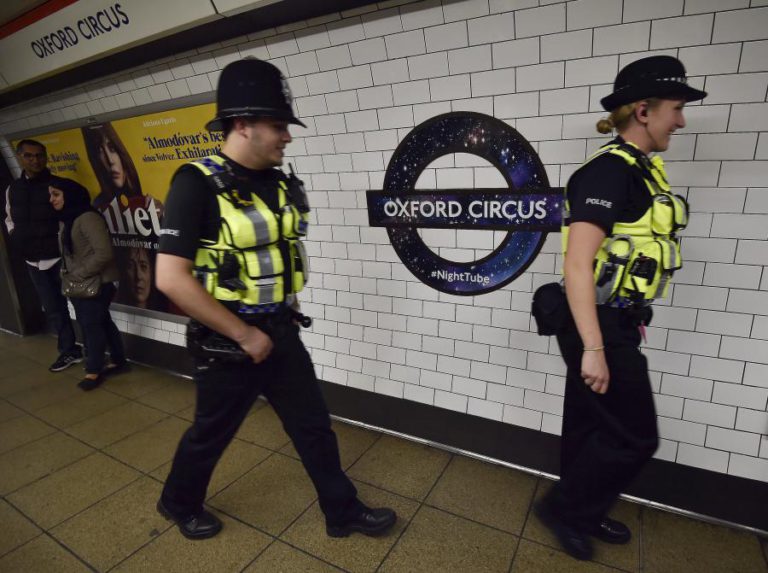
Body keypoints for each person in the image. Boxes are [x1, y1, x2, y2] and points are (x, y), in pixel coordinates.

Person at [155, 57, 397, 540]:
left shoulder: (277, 181)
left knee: (313, 427)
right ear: (242, 126)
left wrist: (279, 318)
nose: (287, 136)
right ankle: (177, 503)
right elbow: (171, 279)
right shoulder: (195, 184)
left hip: (280, 330)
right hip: (227, 341)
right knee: (211, 434)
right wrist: (244, 334)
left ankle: (341, 510)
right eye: (278, 125)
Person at [534, 56, 707, 560]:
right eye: (675, 108)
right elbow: (577, 265)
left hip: (617, 320)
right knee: (636, 436)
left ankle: (579, 510)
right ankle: (564, 508)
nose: (680, 120)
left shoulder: (641, 171)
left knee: (590, 424)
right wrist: (593, 347)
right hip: (598, 324)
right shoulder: (609, 173)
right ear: (643, 110)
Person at [4, 140, 83, 371]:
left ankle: (96, 350)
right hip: (32, 261)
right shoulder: (13, 190)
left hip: (60, 259)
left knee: (80, 305)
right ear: (20, 157)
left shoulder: (58, 185)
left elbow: (74, 216)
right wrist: (16, 237)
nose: (35, 160)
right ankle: (69, 351)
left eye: (39, 155)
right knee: (53, 309)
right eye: (29, 156)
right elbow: (9, 219)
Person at [49, 181, 128, 390]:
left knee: (91, 326)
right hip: (82, 283)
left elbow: (104, 253)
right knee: (102, 322)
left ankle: (93, 370)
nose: (52, 199)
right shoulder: (69, 218)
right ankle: (119, 361)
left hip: (97, 283)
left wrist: (79, 274)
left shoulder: (87, 218)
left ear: (71, 195)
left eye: (56, 194)